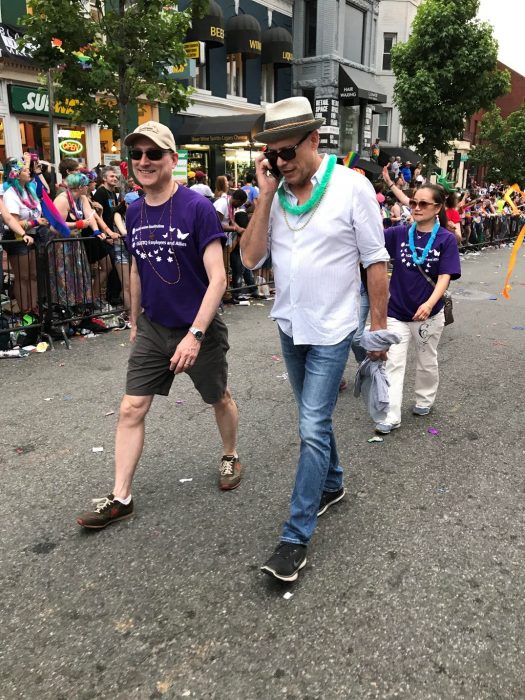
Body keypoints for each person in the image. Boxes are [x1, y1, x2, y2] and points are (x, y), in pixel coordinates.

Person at [240, 97, 390, 582]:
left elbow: (375, 261)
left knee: (310, 426)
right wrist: (263, 196)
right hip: (290, 326)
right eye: (272, 156)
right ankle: (334, 484)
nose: (281, 163)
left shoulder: (351, 187)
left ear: (313, 140)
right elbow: (250, 259)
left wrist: (377, 332)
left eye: (288, 153)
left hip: (334, 329)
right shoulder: (275, 194)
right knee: (314, 420)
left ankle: (294, 537)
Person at [76, 120, 241, 529]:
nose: (144, 161)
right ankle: (121, 497)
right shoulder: (132, 209)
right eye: (137, 154)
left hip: (197, 326)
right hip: (153, 327)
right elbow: (136, 268)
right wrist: (134, 320)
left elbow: (218, 278)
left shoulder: (197, 207)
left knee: (218, 397)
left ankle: (230, 454)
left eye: (153, 154)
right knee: (131, 407)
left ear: (172, 159)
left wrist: (195, 335)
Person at [375, 184, 461, 435]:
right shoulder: (398, 233)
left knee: (426, 361)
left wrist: (429, 303)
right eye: (413, 203)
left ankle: (424, 399)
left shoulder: (445, 238)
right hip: (397, 312)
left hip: (429, 314)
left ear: (437, 208)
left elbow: (445, 276)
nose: (416, 208)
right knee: (392, 363)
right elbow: (372, 239)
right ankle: (390, 415)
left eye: (423, 204)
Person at [2, 157, 50, 315]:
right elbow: (12, 222)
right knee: (22, 276)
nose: (28, 171)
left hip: (32, 235)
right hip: (17, 237)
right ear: (15, 175)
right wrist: (35, 222)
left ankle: (35, 308)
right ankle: (25, 311)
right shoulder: (10, 194)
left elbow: (46, 192)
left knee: (34, 275)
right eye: (24, 170)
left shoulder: (30, 190)